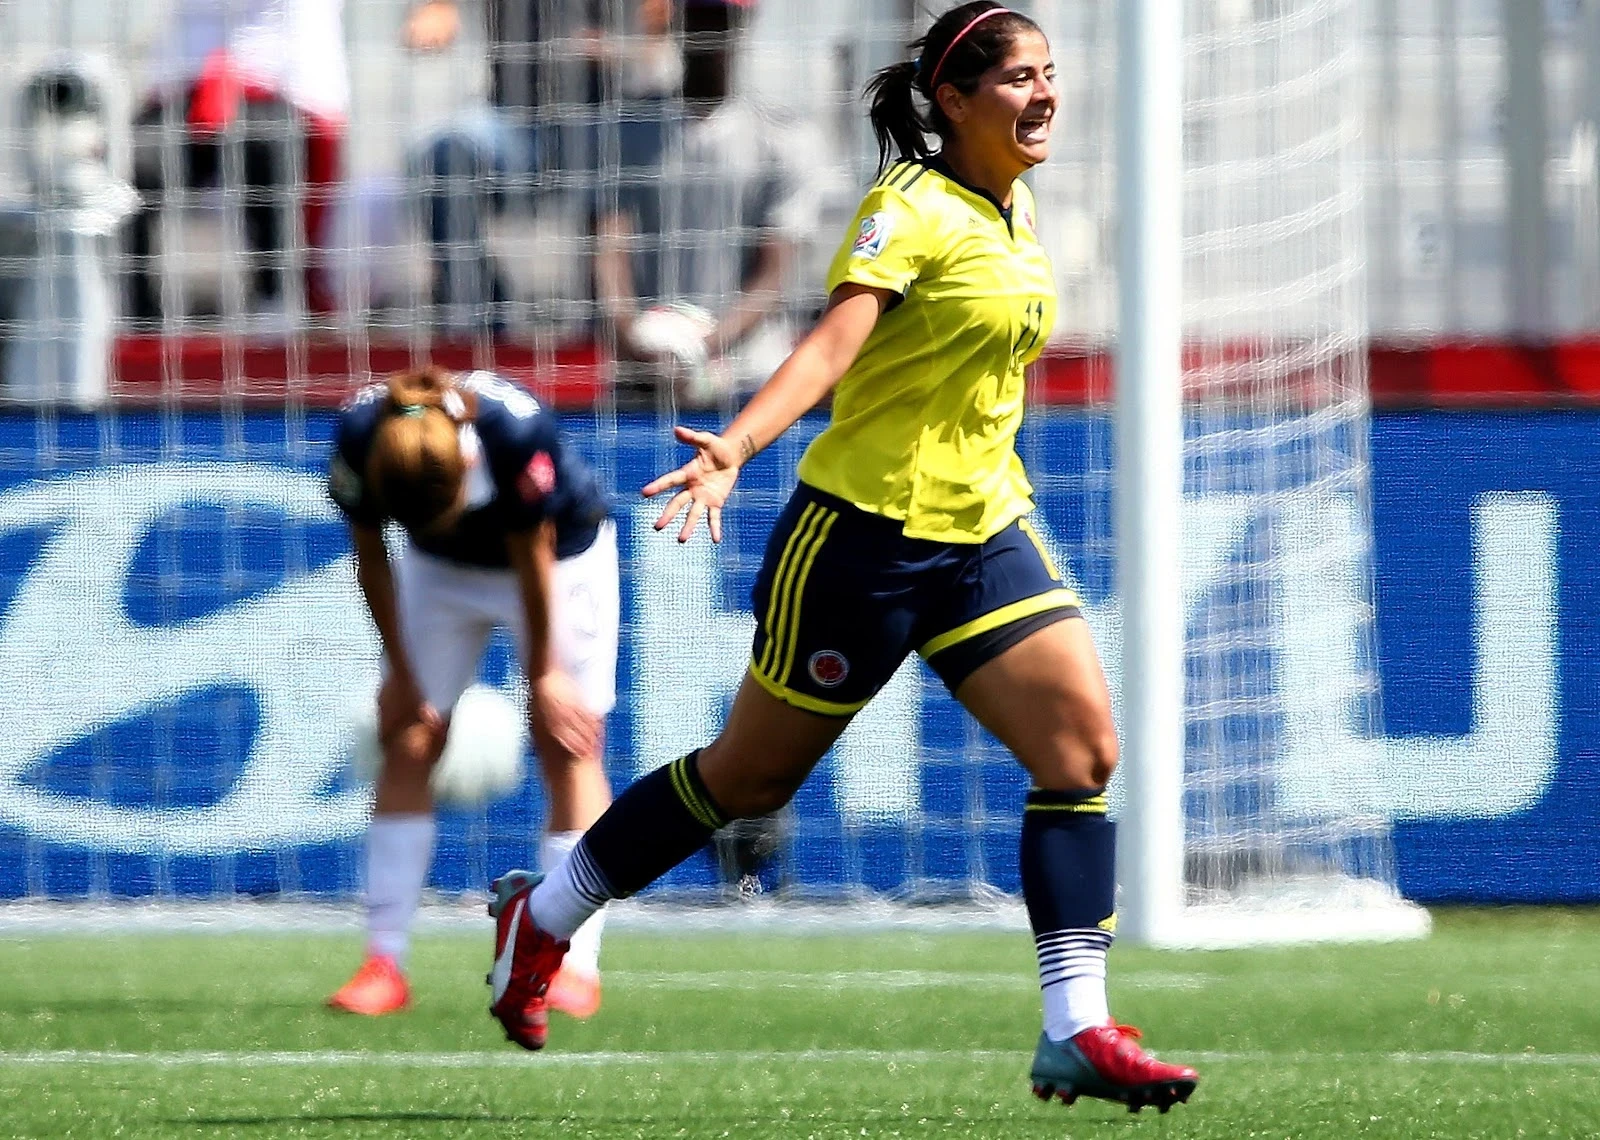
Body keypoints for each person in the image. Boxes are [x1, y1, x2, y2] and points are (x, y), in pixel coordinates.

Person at [480, 1, 1201, 1112]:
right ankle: (552, 913)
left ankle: (1079, 1028)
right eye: (1017, 78)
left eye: (1048, 73)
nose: (1044, 93)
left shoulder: (1014, 208)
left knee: (1081, 753)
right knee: (747, 778)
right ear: (951, 100)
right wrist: (734, 444)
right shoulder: (906, 205)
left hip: (982, 534)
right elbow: (831, 339)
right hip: (858, 537)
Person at [324, 366, 618, 1034]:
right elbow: (370, 556)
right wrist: (399, 672)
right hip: (439, 574)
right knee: (408, 736)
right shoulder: (359, 438)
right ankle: (384, 964)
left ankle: (575, 963)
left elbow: (534, 553)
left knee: (568, 740)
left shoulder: (513, 432)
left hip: (560, 561)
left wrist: (545, 674)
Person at [404, 0, 681, 334]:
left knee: (642, 158)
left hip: (606, 122)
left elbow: (658, 49)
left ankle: (619, 333)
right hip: (516, 121)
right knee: (446, 155)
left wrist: (605, 49)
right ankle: (480, 328)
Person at [595, 0, 819, 405]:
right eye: (697, 17)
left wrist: (701, 347)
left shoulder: (782, 137)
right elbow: (610, 247)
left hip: (749, 373)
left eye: (721, 19)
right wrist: (636, 339)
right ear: (678, 23)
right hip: (645, 371)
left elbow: (773, 275)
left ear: (742, 26)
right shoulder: (628, 128)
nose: (708, 33)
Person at [127, 0, 346, 325]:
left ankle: (278, 301)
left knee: (272, 154)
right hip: (184, 81)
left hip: (278, 84)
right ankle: (139, 317)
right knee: (134, 164)